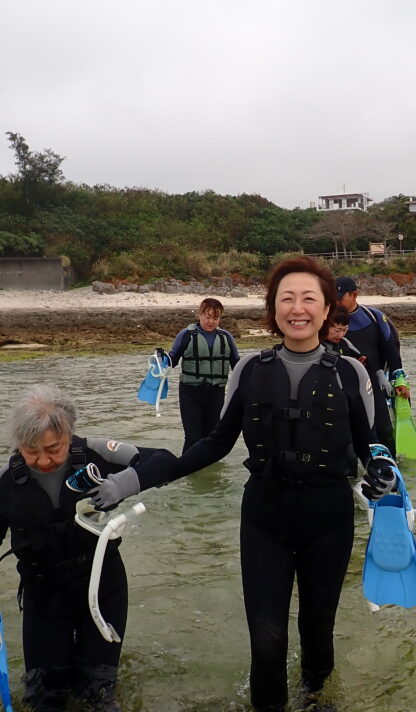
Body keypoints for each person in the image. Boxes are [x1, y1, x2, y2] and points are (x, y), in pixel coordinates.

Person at [166, 256, 395, 711]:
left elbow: (371, 445)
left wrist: (383, 473)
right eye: (286, 298)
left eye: (309, 298)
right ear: (273, 309)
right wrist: (141, 474)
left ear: (326, 309)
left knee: (318, 632)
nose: (297, 308)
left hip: (329, 520)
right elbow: (216, 443)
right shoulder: (250, 370)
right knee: (266, 640)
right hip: (264, 520)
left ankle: (316, 699)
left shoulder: (351, 373)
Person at [0, 384, 176, 712]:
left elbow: (164, 460)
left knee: (98, 693)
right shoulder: (5, 482)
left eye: (53, 449)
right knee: (44, 696)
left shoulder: (96, 455)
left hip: (102, 593)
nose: (42, 460)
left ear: (69, 433)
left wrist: (122, 483)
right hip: (43, 598)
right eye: (31, 451)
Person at [335, 275, 410, 455]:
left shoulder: (374, 317)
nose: (334, 302)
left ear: (354, 295)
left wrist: (399, 381)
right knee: (347, 439)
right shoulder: (326, 320)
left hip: (374, 384)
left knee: (384, 433)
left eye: (339, 298)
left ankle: (392, 468)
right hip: (341, 388)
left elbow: (392, 350)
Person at [167, 298, 241, 454]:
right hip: (190, 394)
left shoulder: (226, 337)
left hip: (216, 394)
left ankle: (210, 469)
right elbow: (171, 360)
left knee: (212, 437)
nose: (211, 321)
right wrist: (159, 360)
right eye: (208, 317)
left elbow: (238, 366)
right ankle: (185, 467)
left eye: (215, 317)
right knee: (193, 437)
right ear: (200, 314)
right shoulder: (186, 335)